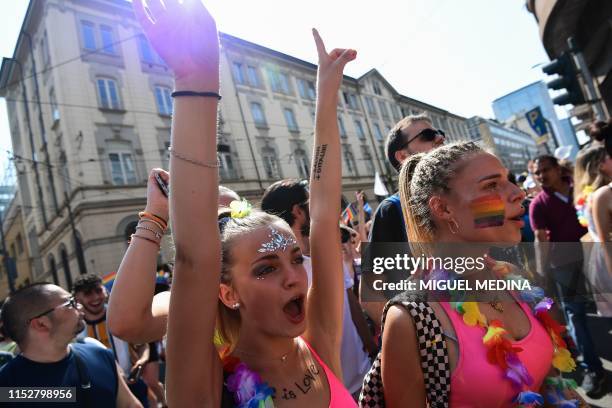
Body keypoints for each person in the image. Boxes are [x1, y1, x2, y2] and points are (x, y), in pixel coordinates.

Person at [132, 1, 356, 406]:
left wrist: (325, 95)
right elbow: (193, 258)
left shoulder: (320, 339)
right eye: (267, 268)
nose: (295, 277)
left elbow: (322, 212)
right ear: (228, 293)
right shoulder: (208, 387)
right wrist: (196, 77)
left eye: (294, 257)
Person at [366, 142, 586, 407]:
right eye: (491, 186)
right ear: (444, 208)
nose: (518, 193)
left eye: (507, 181)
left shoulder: (513, 280)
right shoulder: (410, 318)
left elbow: (549, 383)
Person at [530, 154, 606, 398]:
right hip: (564, 266)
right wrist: (542, 274)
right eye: (537, 172)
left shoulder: (581, 190)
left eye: (545, 170)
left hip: (594, 257)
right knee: (576, 315)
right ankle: (593, 370)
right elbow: (540, 240)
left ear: (557, 169)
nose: (542, 176)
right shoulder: (538, 204)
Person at [0, 283, 142, 407]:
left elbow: (130, 405)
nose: (80, 306)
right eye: (70, 303)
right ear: (41, 324)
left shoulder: (100, 355)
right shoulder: (7, 386)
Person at [364, 115, 446, 329]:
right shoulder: (392, 209)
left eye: (439, 132)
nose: (439, 137)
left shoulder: (457, 198)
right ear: (402, 155)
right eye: (428, 135)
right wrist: (410, 335)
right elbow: (371, 292)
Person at [73, 275, 150, 407]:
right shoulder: (75, 329)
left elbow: (142, 345)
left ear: (105, 291)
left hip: (133, 386)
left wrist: (141, 361)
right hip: (101, 392)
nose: (95, 297)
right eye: (88, 294)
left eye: (98, 291)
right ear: (77, 299)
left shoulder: (122, 316)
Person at [574, 142, 612, 317]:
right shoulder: (599, 195)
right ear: (600, 165)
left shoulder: (591, 194)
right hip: (606, 257)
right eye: (608, 157)